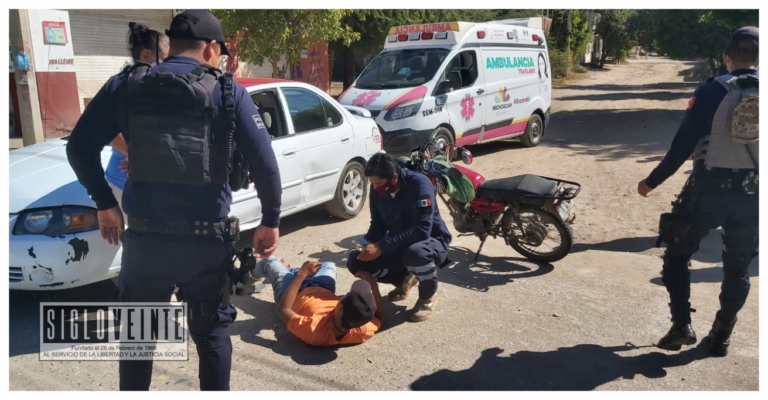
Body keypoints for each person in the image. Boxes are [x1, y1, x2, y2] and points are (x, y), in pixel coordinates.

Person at [66, 10, 282, 390]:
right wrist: (271, 220)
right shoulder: (229, 92)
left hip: (146, 245)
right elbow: (265, 164)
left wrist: (105, 203)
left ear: (172, 42)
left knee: (138, 340)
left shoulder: (127, 83)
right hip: (205, 246)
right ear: (212, 48)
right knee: (211, 336)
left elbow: (80, 147)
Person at [637, 27, 759, 357]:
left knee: (677, 255)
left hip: (706, 191)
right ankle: (721, 335)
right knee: (738, 268)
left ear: (726, 57)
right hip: (753, 197)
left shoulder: (710, 92)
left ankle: (681, 326)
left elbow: (681, 148)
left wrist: (651, 182)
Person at [347, 153, 452, 322]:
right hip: (398, 242)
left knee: (416, 254)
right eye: (372, 184)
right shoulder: (377, 191)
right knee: (356, 261)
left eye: (379, 183)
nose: (375, 188)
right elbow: (378, 224)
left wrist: (381, 246)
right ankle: (405, 279)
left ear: (394, 177)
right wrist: (366, 243)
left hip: (430, 241)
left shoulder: (419, 185)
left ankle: (428, 297)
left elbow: (422, 229)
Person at [105, 22, 169, 216]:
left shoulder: (159, 85)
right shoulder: (124, 85)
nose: (171, 64)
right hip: (123, 184)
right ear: (146, 56)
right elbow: (101, 127)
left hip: (143, 184)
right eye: (166, 58)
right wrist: (133, 153)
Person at [255, 257, 383, 346]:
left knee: (269, 261)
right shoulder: (361, 329)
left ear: (340, 309)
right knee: (328, 264)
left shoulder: (314, 331)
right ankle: (291, 271)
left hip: (291, 292)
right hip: (323, 286)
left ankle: (252, 269)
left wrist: (302, 275)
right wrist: (374, 286)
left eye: (346, 296)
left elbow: (282, 310)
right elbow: (380, 318)